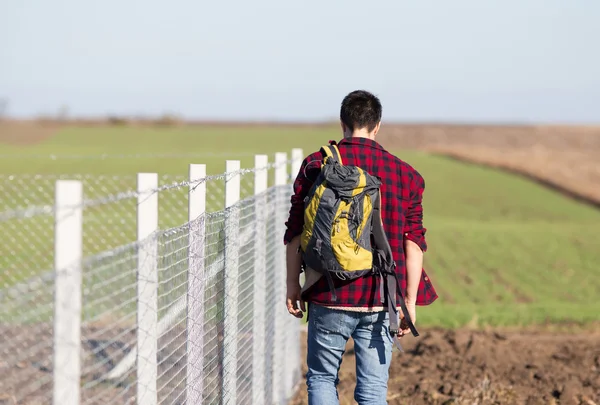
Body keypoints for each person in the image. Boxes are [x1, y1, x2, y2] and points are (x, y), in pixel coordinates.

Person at [283, 90, 438, 405]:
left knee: (322, 380)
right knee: (372, 391)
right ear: (377, 125)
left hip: (328, 291)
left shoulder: (316, 165)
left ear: (342, 123)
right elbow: (414, 242)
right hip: (380, 297)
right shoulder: (405, 175)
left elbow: (295, 231)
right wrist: (409, 302)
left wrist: (292, 284)